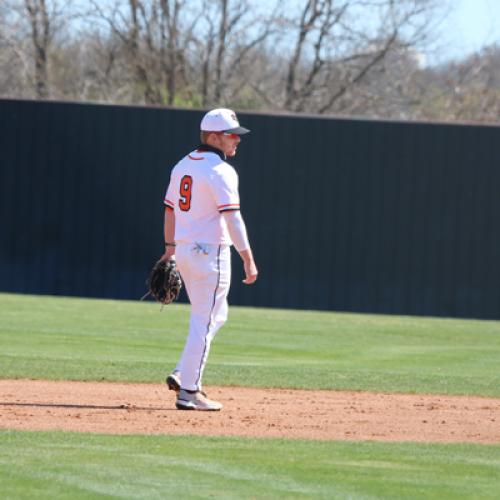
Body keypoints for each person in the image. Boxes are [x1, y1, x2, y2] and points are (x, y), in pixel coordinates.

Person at [161, 108, 258, 411]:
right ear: (214, 137)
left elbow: (169, 209)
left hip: (186, 251)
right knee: (203, 321)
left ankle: (183, 371)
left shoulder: (182, 165)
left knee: (217, 315)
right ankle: (190, 391)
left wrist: (169, 248)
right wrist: (248, 257)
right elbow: (233, 217)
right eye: (232, 135)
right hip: (211, 253)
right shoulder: (220, 170)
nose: (237, 141)